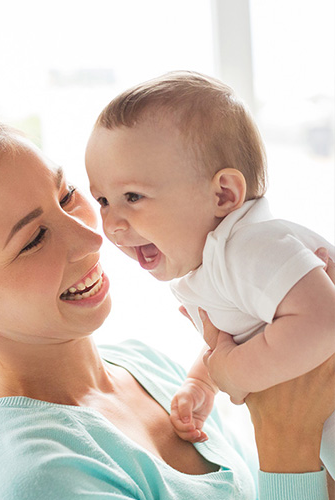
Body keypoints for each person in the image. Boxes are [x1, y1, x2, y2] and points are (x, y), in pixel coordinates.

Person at [0, 117, 335, 500]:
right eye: (34, 238)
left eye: (68, 195)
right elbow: (287, 466)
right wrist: (288, 442)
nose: (92, 236)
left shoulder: (148, 368)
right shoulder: (33, 478)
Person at [84, 71, 335, 478]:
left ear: (223, 195)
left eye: (133, 197)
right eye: (103, 200)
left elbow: (323, 320)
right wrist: (204, 382)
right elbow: (242, 334)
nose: (111, 224)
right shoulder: (207, 266)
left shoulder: (250, 248)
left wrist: (231, 373)